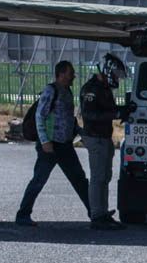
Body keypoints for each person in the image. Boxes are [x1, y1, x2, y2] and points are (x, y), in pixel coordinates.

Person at [15, 60, 92, 227]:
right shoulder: (51, 91)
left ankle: (95, 213)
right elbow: (39, 117)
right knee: (39, 180)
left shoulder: (67, 91)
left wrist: (80, 132)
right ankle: (23, 214)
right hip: (50, 146)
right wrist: (44, 142)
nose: (73, 76)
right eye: (70, 73)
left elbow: (68, 118)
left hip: (64, 144)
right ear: (61, 73)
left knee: (79, 179)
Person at [79, 53, 129, 230]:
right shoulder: (92, 89)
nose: (117, 78)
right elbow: (90, 114)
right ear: (108, 70)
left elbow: (107, 109)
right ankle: (97, 215)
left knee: (105, 177)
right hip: (95, 137)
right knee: (98, 177)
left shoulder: (104, 88)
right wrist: (115, 114)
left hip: (104, 137)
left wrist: (123, 110)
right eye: (115, 74)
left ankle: (102, 211)